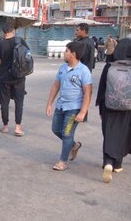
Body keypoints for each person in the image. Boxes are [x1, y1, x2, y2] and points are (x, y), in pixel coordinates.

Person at [46, 41, 92, 171]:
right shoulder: (62, 68)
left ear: (73, 54)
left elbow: (88, 92)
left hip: (74, 108)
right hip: (61, 106)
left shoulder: (83, 71)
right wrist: (49, 103)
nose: (64, 53)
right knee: (56, 129)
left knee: (67, 133)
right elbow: (56, 86)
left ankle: (63, 161)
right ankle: (74, 145)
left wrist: (83, 112)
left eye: (66, 51)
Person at [95, 38, 131, 183]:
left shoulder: (109, 66)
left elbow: (102, 87)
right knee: (123, 133)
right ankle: (118, 164)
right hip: (128, 107)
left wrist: (100, 107)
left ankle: (108, 162)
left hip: (108, 106)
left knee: (109, 133)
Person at [0, 23, 28, 136]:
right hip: (19, 76)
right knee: (19, 102)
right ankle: (18, 128)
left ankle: (5, 126)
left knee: (5, 102)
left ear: (3, 32)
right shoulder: (20, 41)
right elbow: (27, 56)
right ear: (13, 31)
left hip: (5, 77)